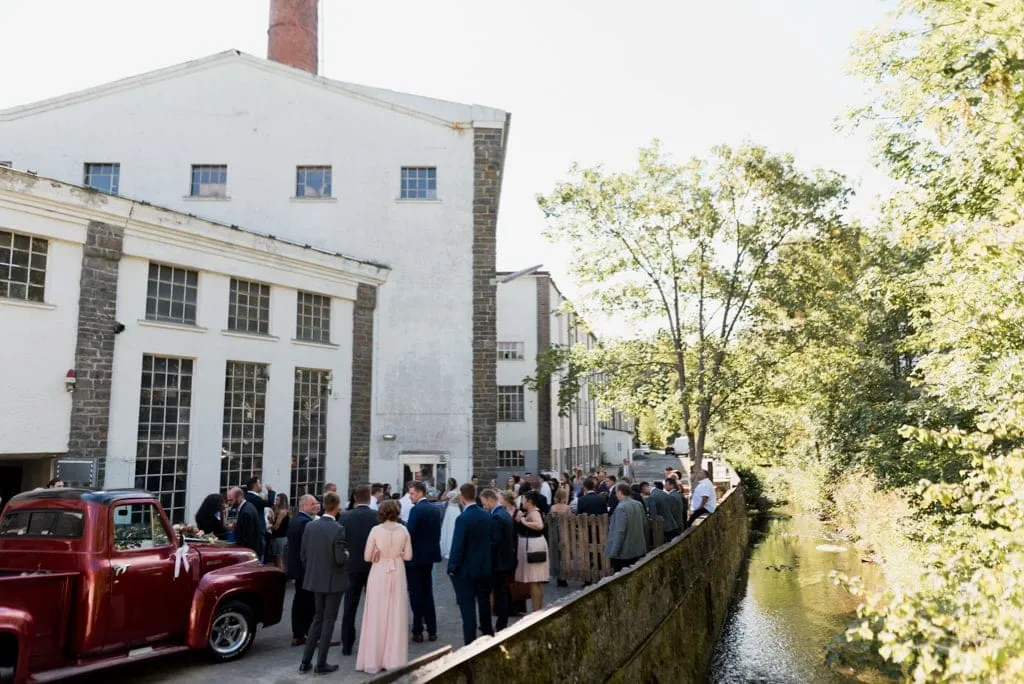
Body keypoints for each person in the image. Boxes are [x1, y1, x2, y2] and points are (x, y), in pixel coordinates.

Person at [356, 500, 412, 673]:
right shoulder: (403, 530)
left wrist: (379, 554)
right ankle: (394, 660)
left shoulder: (375, 530)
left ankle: (373, 659)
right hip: (397, 570)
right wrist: (398, 553)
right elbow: (409, 556)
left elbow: (366, 557)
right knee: (396, 614)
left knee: (376, 614)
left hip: (379, 570)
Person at [299, 491, 349, 675]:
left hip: (315, 578)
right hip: (333, 580)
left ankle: (305, 661)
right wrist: (346, 555)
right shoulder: (338, 528)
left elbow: (303, 555)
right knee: (329, 621)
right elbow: (339, 558)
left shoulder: (310, 527)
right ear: (336, 507)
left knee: (317, 619)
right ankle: (321, 663)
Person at [447, 482, 493, 645]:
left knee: (468, 608)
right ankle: (488, 634)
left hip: (466, 570)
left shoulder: (463, 518)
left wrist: (452, 567)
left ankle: (470, 640)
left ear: (462, 496)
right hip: (485, 567)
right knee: (484, 602)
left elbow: (457, 546)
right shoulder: (487, 515)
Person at [339, 485, 379, 656]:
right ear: (369, 498)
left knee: (349, 606)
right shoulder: (376, 517)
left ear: (355, 498)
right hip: (373, 566)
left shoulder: (345, 517)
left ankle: (347, 644)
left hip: (352, 566)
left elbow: (339, 542)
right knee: (375, 605)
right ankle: (374, 641)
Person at [406, 481, 442, 643]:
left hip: (415, 558)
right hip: (429, 556)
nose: (410, 496)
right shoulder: (435, 510)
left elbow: (410, 533)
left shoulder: (416, 510)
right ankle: (432, 630)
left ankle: (418, 630)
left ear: (420, 492)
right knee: (427, 593)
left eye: (412, 493)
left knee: (416, 594)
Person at [481, 488, 516, 632]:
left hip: (499, 562)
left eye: (484, 503)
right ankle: (502, 621)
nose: (484, 506)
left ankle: (501, 623)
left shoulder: (497, 516)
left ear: (490, 499)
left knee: (500, 593)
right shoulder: (504, 513)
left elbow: (494, 541)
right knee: (503, 592)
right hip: (506, 559)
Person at [288, 494, 320, 646]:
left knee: (300, 601)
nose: (316, 505)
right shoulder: (305, 523)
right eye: (312, 504)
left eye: (316, 503)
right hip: (305, 569)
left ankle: (299, 633)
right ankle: (307, 633)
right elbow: (308, 549)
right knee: (308, 602)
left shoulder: (297, 521)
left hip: (298, 569)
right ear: (303, 506)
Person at [513, 491, 548, 612]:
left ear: (529, 502)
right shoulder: (531, 512)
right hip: (533, 545)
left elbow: (539, 526)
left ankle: (536, 610)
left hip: (533, 547)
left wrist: (523, 521)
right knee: (536, 580)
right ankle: (537, 609)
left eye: (523, 500)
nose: (522, 502)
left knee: (534, 580)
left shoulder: (534, 512)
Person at [605, 483, 648, 572]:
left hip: (625, 552)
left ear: (620, 492)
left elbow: (620, 531)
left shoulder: (621, 508)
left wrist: (614, 552)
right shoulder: (638, 504)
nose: (615, 494)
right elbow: (644, 523)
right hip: (638, 548)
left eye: (616, 492)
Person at [244, 476, 274, 561]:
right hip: (258, 529)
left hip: (257, 529)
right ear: (255, 485)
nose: (260, 486)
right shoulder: (252, 497)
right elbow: (269, 503)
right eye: (259, 483)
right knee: (260, 554)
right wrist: (270, 491)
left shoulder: (249, 496)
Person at [228, 486, 261, 555]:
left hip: (249, 552)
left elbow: (247, 538)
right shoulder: (246, 507)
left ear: (239, 497)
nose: (229, 503)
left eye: (231, 500)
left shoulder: (246, 512)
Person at [439, 478, 461, 559]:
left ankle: (448, 549)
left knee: (449, 528)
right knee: (454, 528)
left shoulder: (451, 492)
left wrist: (446, 490)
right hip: (457, 510)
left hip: (451, 510)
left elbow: (441, 498)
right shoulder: (458, 492)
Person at [270, 493, 291, 570]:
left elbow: (276, 526)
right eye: (276, 499)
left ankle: (282, 578)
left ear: (282, 501)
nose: (276, 501)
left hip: (281, 537)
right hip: (276, 537)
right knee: (275, 559)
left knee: (279, 559)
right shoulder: (277, 510)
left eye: (278, 499)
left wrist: (268, 527)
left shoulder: (282, 512)